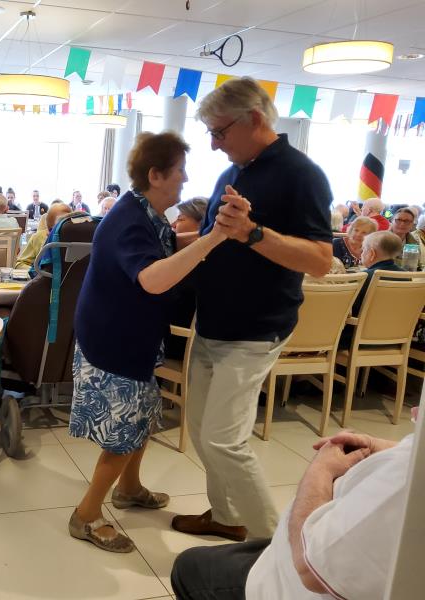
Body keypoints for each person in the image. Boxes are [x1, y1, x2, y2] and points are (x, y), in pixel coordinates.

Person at [172, 77, 333, 542]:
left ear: (255, 119)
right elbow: (213, 237)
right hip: (213, 322)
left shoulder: (302, 175)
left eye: (219, 132)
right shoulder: (233, 173)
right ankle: (226, 516)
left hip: (255, 329)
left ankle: (275, 548)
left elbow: (320, 261)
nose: (213, 143)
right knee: (200, 430)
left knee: (224, 440)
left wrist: (253, 233)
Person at [69, 131, 227, 553]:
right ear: (155, 175)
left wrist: (215, 236)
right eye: (179, 171)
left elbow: (165, 249)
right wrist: (213, 238)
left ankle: (129, 488)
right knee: (123, 432)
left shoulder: (145, 213)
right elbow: (153, 279)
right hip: (114, 341)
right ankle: (86, 515)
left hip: (129, 336)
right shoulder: (128, 220)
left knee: (142, 418)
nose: (185, 178)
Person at [171, 421, 416, 600]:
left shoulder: (408, 485)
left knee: (188, 568)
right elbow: (416, 444)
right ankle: (234, 521)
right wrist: (381, 446)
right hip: (297, 547)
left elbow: (311, 570)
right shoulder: (411, 464)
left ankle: (255, 531)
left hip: (296, 575)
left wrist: (321, 469)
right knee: (211, 433)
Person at [352, 230, 404, 315]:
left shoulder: (363, 277)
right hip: (399, 323)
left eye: (363, 249)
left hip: (364, 323)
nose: (361, 253)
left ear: (372, 254)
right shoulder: (406, 276)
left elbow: (350, 310)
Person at [15, 202, 71, 270]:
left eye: (68, 220)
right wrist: (36, 271)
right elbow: (20, 263)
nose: (65, 224)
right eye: (61, 221)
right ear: (50, 225)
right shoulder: (38, 238)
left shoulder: (76, 238)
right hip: (42, 274)